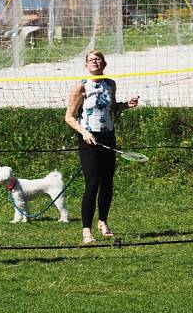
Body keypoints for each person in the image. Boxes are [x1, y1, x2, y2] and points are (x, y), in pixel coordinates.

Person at [65, 50, 139, 244]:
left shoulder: (110, 84)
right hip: (89, 138)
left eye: (98, 59)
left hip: (108, 136)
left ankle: (103, 222)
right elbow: (69, 117)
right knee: (92, 184)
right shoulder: (81, 86)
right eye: (91, 60)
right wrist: (84, 132)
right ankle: (86, 231)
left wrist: (126, 105)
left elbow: (112, 107)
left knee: (107, 182)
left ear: (104, 64)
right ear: (86, 64)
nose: (94, 62)